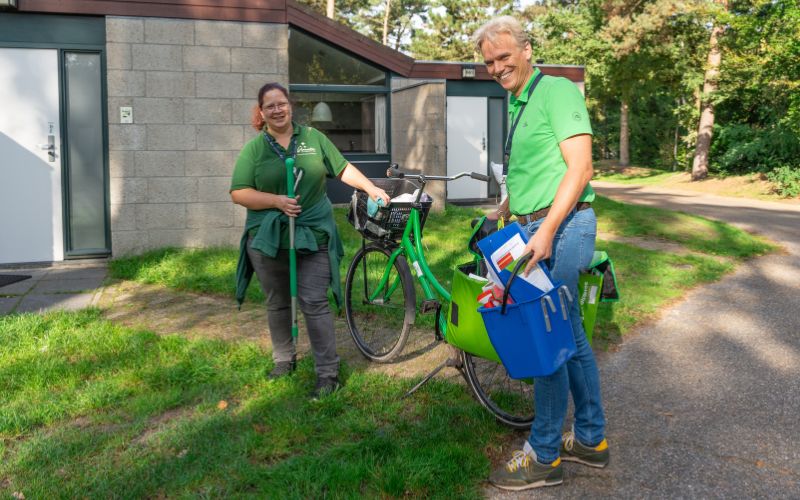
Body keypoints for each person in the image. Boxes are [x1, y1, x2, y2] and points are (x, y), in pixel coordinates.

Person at [474, 17, 610, 490]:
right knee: (568, 333)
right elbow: (541, 167)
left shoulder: (557, 92)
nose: (496, 67)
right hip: (534, 225)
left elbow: (580, 166)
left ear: (527, 50)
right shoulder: (518, 102)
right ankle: (591, 440)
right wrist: (506, 208)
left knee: (547, 335)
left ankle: (545, 453)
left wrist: (548, 229)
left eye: (504, 57)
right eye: (489, 62)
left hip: (563, 226)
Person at [230, 82, 390, 398]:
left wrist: (371, 188)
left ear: (291, 106)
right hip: (269, 238)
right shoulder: (255, 149)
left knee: (314, 301)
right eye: (270, 106)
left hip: (313, 232)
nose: (277, 110)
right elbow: (239, 192)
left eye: (282, 103)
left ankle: (327, 374)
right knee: (277, 301)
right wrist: (277, 201)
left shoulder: (314, 139)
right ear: (261, 112)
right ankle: (283, 360)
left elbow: (342, 169)